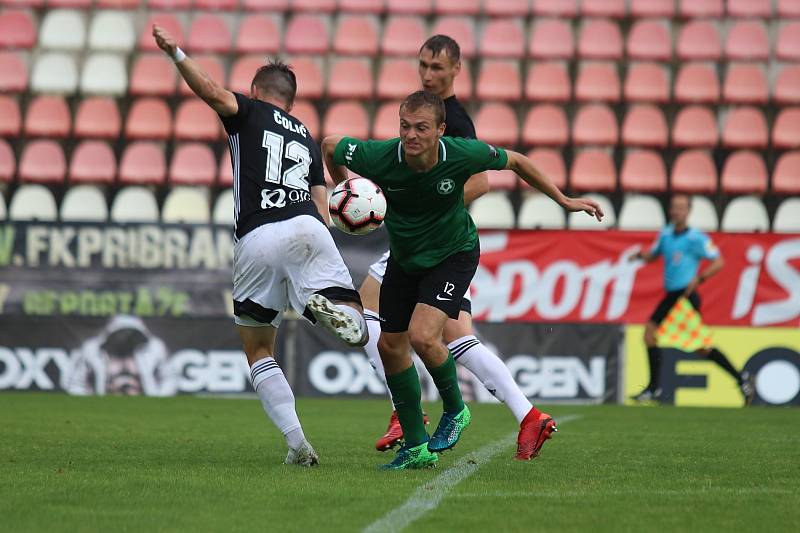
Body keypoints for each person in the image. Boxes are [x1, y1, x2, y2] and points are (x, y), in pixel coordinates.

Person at [322, 91, 603, 469]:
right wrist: (350, 193)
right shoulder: (380, 156)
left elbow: (516, 161)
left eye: (421, 128)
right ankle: (416, 449)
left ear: (441, 129)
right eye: (405, 126)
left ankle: (455, 410)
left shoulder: (461, 153)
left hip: (452, 255)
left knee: (423, 336)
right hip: (406, 261)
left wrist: (564, 200)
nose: (411, 135)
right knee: (390, 347)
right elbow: (330, 146)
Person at [153, 26, 369, 467]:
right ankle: (322, 309)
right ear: (291, 101)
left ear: (256, 90)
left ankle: (297, 443)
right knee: (359, 324)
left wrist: (175, 52)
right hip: (310, 226)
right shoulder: (307, 135)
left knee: (258, 349)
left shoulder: (248, 110)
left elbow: (211, 91)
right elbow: (323, 201)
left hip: (257, 237)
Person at [360, 35, 562, 461]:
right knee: (452, 337)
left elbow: (482, 180)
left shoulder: (453, 120)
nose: (428, 75)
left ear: (456, 70)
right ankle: (528, 415)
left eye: (437, 68)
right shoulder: (425, 112)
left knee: (375, 312)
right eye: (423, 66)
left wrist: (426, 203)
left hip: (437, 240)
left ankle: (405, 412)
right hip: (432, 240)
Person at [629, 194, 754, 404]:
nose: (676, 211)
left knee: (698, 345)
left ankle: (741, 379)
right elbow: (654, 254)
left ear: (688, 212)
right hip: (672, 296)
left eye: (681, 208)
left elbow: (719, 261)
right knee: (651, 336)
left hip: (686, 296)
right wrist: (640, 255)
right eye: (674, 207)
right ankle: (653, 389)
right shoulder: (666, 235)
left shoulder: (696, 238)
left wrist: (699, 278)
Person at [67, 315, 176, 396]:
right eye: (122, 332)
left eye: (130, 332)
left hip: (145, 408)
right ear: (111, 332)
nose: (126, 336)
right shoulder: (92, 350)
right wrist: (90, 404)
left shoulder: (154, 348)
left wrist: (156, 400)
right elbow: (76, 383)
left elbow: (169, 378)